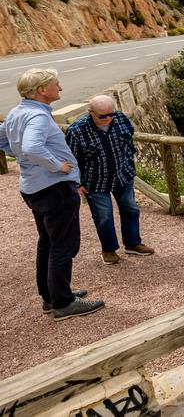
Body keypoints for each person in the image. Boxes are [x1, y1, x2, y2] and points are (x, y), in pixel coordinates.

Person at [0, 69, 104, 320]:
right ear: (41, 90)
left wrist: (25, 160)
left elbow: (5, 142)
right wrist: (58, 166)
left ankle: (51, 295)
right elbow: (32, 146)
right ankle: (63, 303)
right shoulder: (39, 117)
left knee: (47, 242)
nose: (60, 87)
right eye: (54, 84)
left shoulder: (16, 113)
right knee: (63, 245)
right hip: (54, 187)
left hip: (33, 187)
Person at [66, 95, 153, 265]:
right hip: (95, 182)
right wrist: (76, 183)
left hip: (123, 175)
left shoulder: (120, 118)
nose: (108, 119)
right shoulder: (77, 130)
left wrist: (129, 163)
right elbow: (71, 159)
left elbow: (129, 139)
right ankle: (109, 250)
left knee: (131, 209)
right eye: (102, 116)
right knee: (103, 216)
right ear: (90, 113)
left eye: (110, 114)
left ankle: (133, 243)